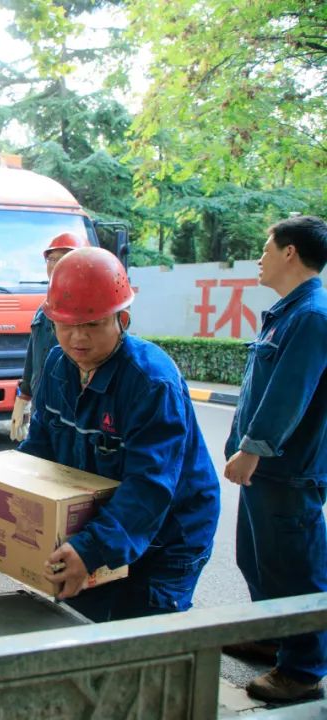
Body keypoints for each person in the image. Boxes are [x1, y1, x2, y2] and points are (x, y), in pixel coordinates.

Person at [19, 247, 220, 622]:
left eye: (93, 325)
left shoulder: (150, 381)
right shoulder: (57, 364)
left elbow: (149, 485)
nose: (77, 337)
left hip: (169, 534)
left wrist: (91, 548)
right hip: (102, 521)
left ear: (122, 319)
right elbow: (39, 449)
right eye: (66, 325)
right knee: (80, 623)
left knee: (142, 636)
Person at [221, 215, 327, 703]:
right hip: (269, 472)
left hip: (288, 471)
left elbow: (288, 395)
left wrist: (251, 449)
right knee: (258, 561)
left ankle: (303, 669)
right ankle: (272, 635)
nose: (260, 258)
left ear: (290, 252)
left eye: (266, 248)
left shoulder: (311, 316)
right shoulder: (289, 313)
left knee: (294, 570)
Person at [11, 232, 91, 441]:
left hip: (70, 406)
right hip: (41, 403)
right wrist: (24, 396)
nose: (55, 265)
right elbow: (33, 353)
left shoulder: (91, 310)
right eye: (52, 259)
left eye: (64, 259)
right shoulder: (44, 309)